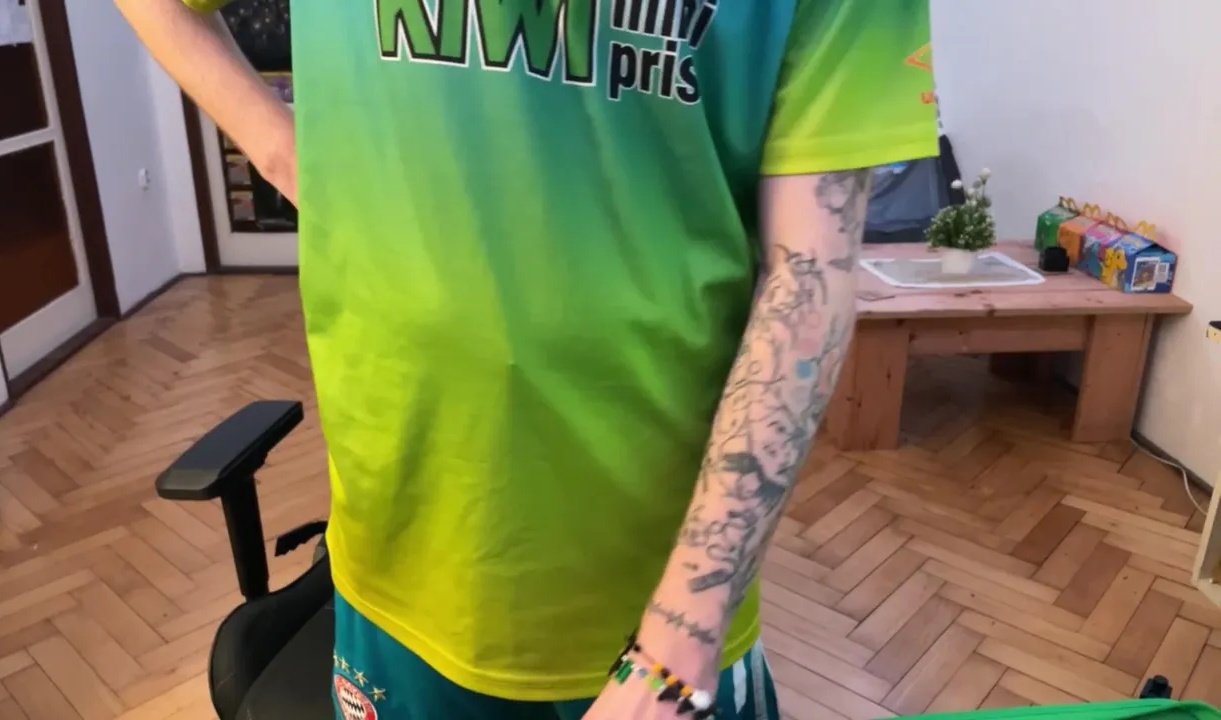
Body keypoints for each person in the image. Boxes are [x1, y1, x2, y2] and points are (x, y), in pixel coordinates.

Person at [116, 1, 937, 718]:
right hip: (398, 547)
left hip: (651, 588)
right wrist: (281, 151)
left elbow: (809, 274)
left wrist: (678, 646)